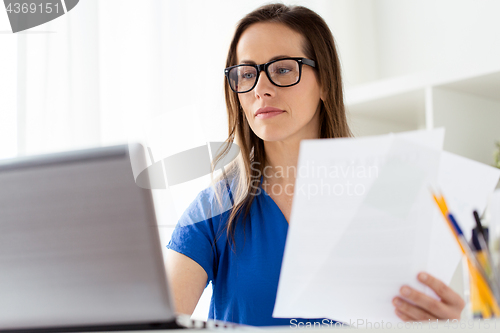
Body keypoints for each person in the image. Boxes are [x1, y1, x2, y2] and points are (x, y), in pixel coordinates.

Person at [165, 3, 465, 326]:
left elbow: (412, 312)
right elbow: (151, 324)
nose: (261, 89)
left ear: (325, 83)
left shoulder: (388, 191)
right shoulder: (214, 209)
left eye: (282, 69)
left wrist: (446, 326)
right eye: (247, 74)